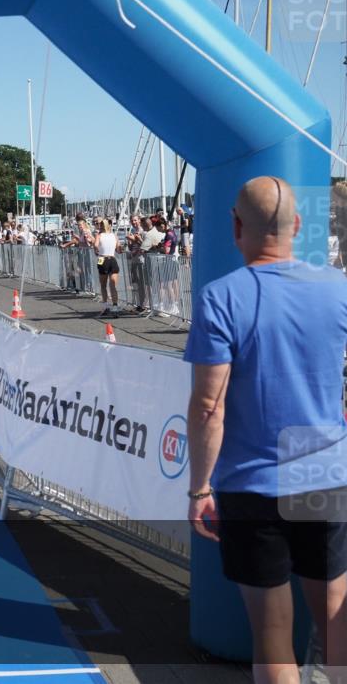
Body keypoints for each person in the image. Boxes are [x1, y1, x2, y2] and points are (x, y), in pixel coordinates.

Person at [184, 176, 346, 684]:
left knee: (272, 633)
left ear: (236, 226)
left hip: (252, 480)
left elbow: (209, 406)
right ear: (296, 226)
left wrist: (199, 488)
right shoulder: (338, 288)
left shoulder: (221, 297)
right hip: (322, 469)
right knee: (335, 619)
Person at [93, 219, 121, 316]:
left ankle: (105, 306)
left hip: (102, 259)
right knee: (113, 285)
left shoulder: (99, 235)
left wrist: (96, 250)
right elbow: (119, 249)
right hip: (112, 259)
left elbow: (95, 245)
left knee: (103, 285)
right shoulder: (114, 236)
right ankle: (115, 306)